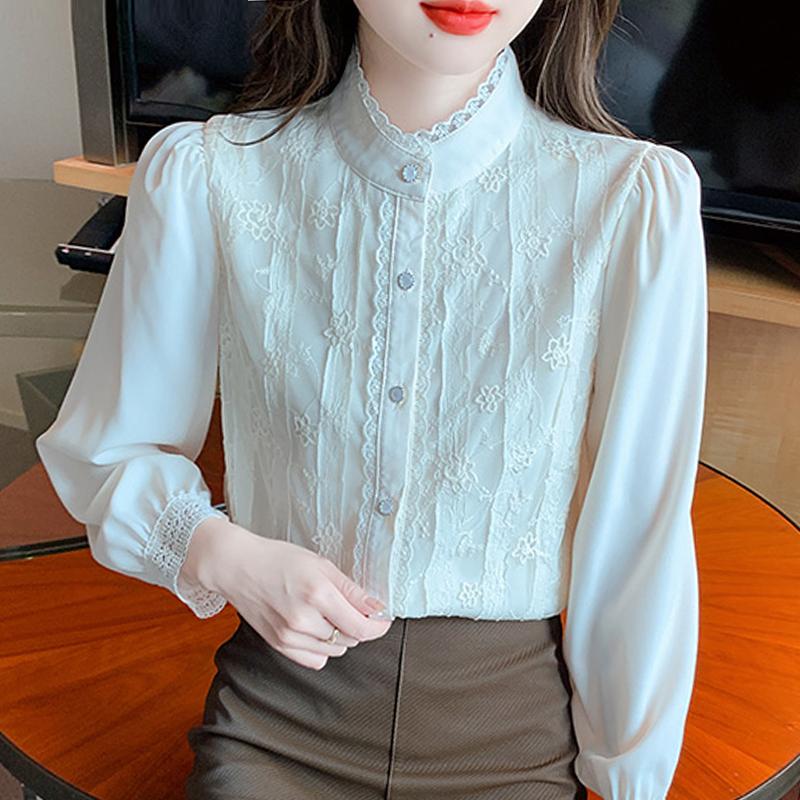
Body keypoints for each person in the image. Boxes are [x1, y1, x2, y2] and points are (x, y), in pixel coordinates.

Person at [35, 0, 708, 797]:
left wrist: (628, 778)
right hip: (274, 725)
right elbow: (109, 450)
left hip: (510, 744)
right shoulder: (211, 173)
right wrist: (227, 555)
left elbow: (639, 532)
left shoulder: (630, 200)